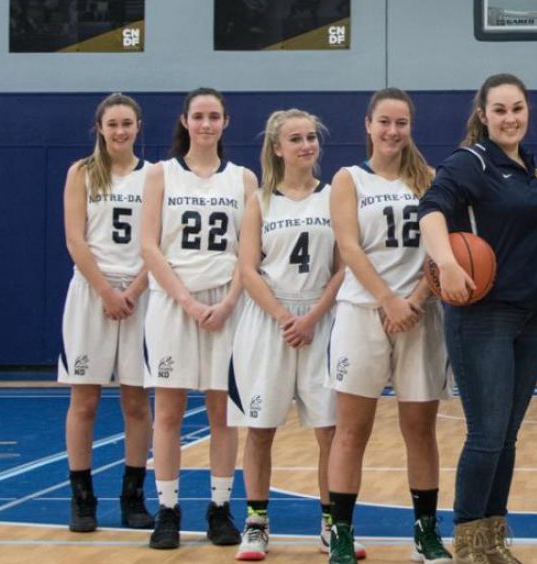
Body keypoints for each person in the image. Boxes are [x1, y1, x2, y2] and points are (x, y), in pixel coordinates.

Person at [418, 73, 537, 564]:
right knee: (486, 434)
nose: (510, 118)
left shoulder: (530, 167)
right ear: (483, 115)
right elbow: (431, 210)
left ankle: (493, 541)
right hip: (483, 316)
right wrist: (448, 263)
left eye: (517, 108)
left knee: (507, 436)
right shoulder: (470, 161)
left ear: (528, 110)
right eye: (499, 110)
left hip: (530, 316)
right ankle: (469, 545)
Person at [323, 89, 451, 564]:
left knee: (421, 430)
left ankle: (426, 532)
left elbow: (441, 251)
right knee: (351, 430)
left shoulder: (430, 180)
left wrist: (414, 300)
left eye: (401, 123)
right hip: (362, 313)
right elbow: (349, 249)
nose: (393, 131)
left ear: (410, 127)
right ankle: (340, 533)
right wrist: (388, 300)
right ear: (368, 125)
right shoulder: (348, 179)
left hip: (420, 315)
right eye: (384, 122)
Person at [229, 108, 350, 561]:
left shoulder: (333, 195)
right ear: (277, 148)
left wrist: (314, 315)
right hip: (270, 322)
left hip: (322, 319)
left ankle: (331, 525)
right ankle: (256, 523)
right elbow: (247, 268)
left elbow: (344, 265)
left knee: (330, 431)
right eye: (296, 139)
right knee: (259, 430)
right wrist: (284, 316)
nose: (306, 145)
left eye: (311, 138)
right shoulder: (260, 200)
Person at [141, 87, 254, 550]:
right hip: (173, 302)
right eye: (199, 116)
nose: (207, 124)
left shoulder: (244, 179)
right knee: (167, 413)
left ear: (226, 122)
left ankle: (220, 508)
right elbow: (148, 246)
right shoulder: (159, 175)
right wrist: (188, 302)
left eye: (214, 116)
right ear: (185, 121)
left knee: (222, 413)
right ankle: (167, 510)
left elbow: (250, 252)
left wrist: (227, 302)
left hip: (227, 302)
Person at [58, 92, 153, 534]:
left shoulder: (154, 177)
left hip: (141, 295)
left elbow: (159, 244)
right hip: (91, 295)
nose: (120, 131)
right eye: (112, 123)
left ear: (138, 127)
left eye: (127, 123)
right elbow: (76, 240)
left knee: (137, 401)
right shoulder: (81, 173)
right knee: (85, 400)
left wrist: (131, 290)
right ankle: (82, 498)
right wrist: (105, 291)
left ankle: (133, 496)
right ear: (99, 127)